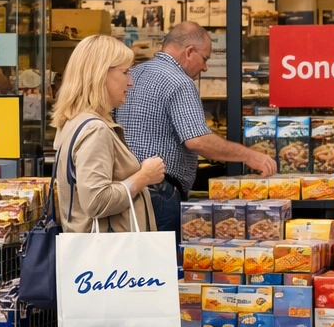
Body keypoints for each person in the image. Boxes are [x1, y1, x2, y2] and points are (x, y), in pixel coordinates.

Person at [51, 34, 179, 327]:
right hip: (107, 269)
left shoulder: (80, 126)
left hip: (116, 270)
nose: (130, 80)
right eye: (123, 71)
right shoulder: (95, 130)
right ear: (99, 74)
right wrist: (143, 177)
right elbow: (95, 199)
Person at [116, 21, 277, 235]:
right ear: (189, 51)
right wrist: (249, 156)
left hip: (127, 190)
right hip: (159, 194)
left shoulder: (132, 74)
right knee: (163, 265)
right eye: (205, 59)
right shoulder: (180, 81)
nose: (205, 67)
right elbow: (197, 140)